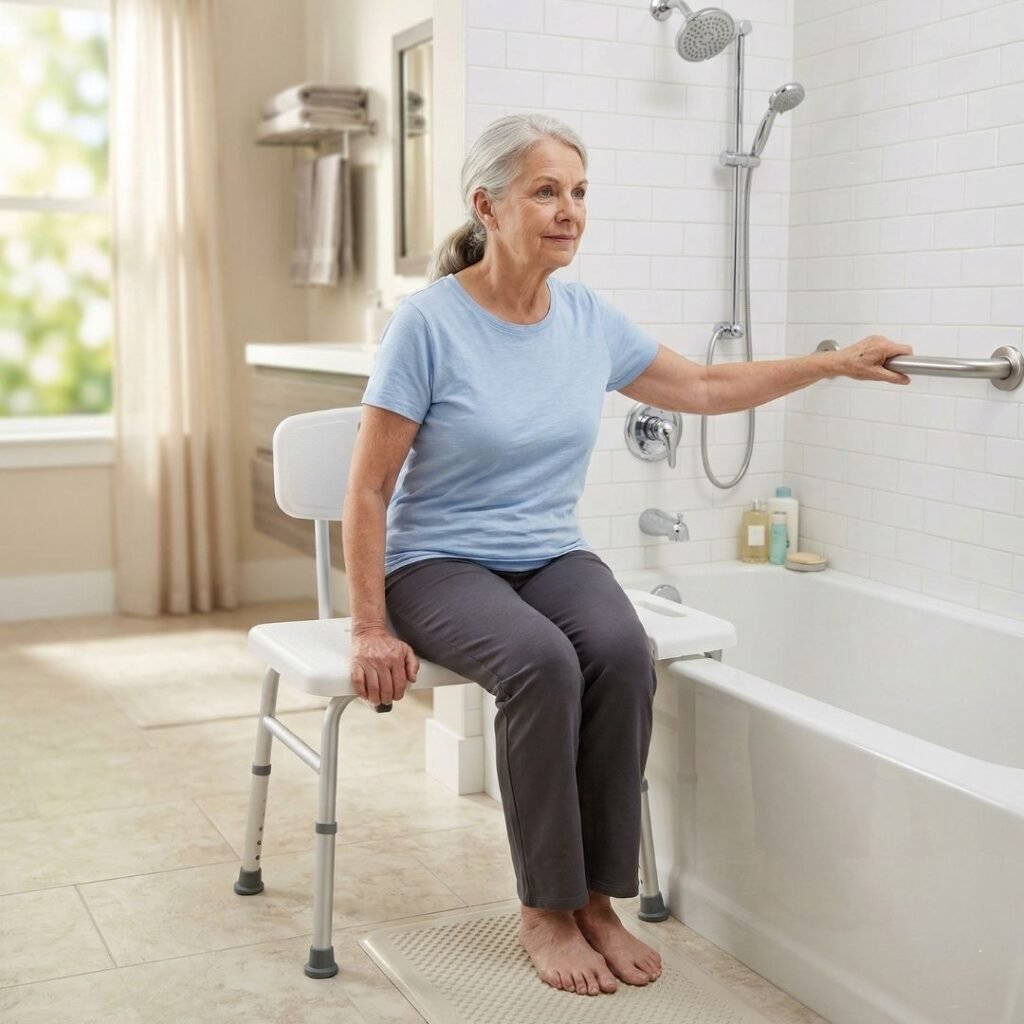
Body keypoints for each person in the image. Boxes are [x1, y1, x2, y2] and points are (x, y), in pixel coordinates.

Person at [341, 114, 912, 998]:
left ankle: (596, 899)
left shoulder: (586, 320)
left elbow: (707, 386)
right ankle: (545, 907)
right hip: (438, 563)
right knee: (541, 663)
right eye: (545, 191)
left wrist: (829, 365)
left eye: (578, 192)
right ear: (487, 207)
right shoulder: (428, 326)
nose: (569, 210)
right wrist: (368, 627)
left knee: (620, 651)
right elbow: (370, 488)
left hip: (549, 552)